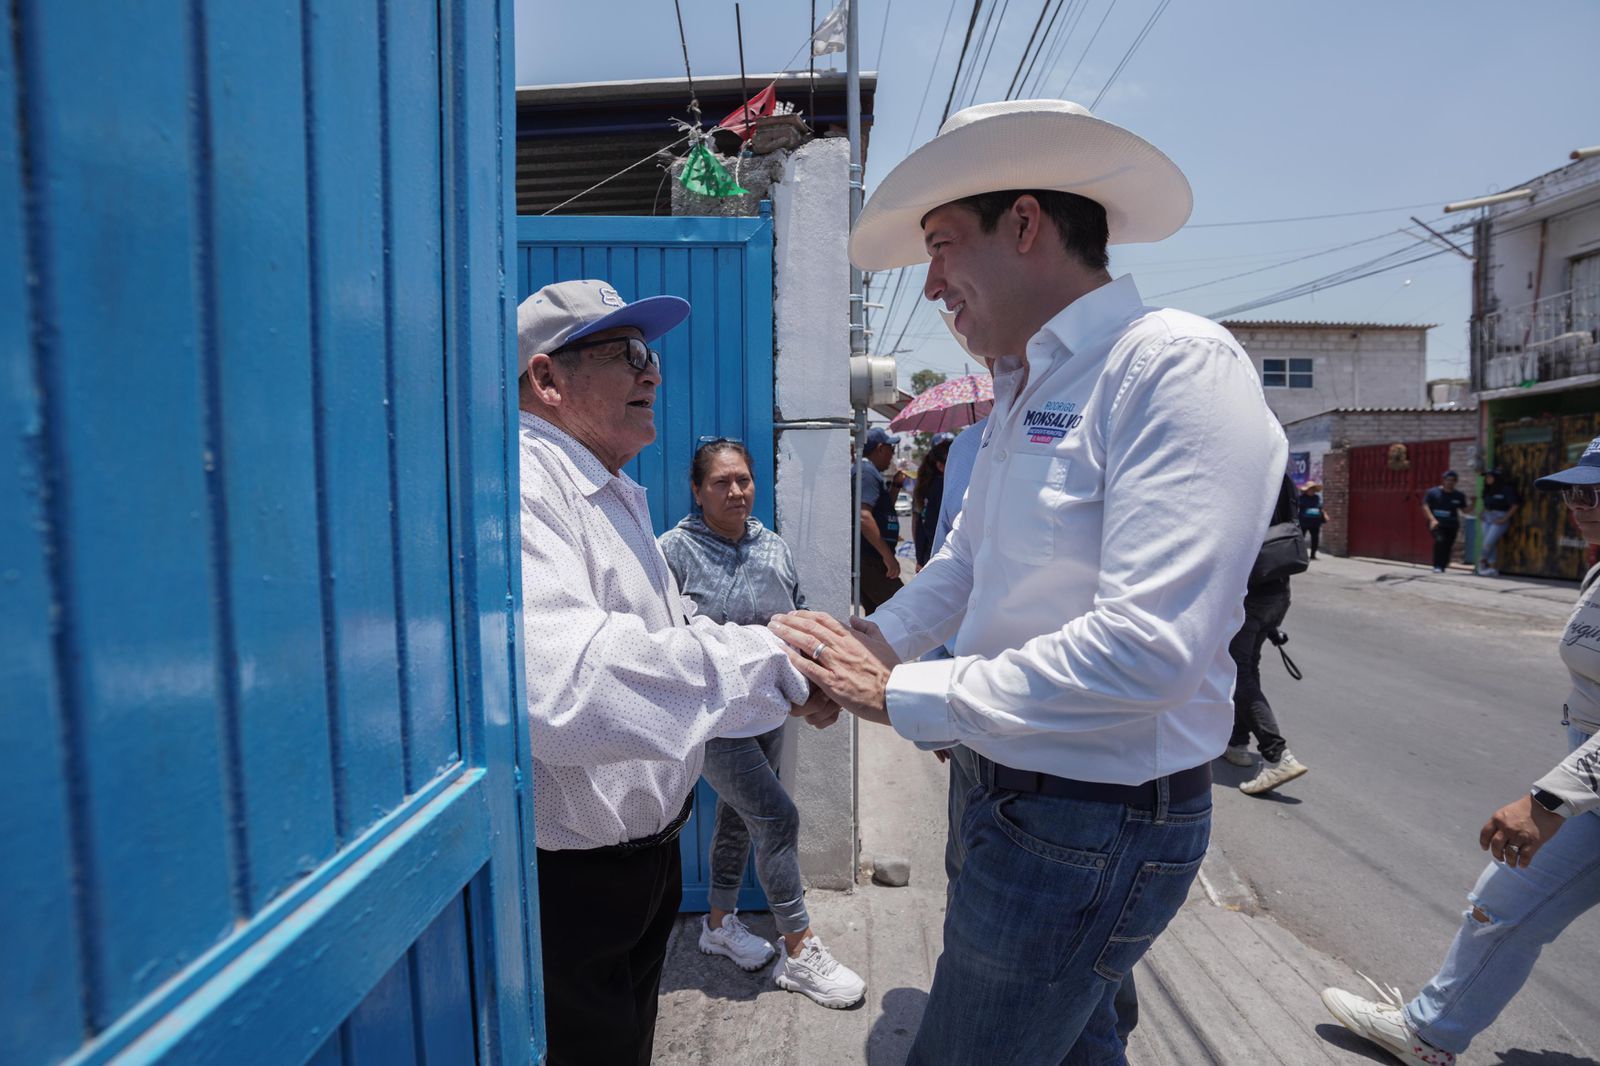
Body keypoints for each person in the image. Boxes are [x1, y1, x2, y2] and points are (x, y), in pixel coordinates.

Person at [769, 99, 1287, 1064]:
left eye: (940, 246)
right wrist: (866, 646)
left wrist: (901, 690)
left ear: (1024, 224)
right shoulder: (1026, 386)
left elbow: (1148, 652)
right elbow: (966, 565)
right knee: (1081, 1047)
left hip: (1093, 816)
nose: (929, 285)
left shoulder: (1167, 366)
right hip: (1009, 788)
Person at [514, 279, 827, 1066]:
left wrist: (778, 665)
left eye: (648, 353)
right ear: (548, 380)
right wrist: (776, 663)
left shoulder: (603, 485)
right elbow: (564, 689)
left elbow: (666, 631)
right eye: (626, 354)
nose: (652, 373)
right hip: (576, 888)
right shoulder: (523, 485)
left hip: (641, 867)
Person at [1321, 436, 1600, 1066]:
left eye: (1594, 492)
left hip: (1589, 785)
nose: (1578, 505)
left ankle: (1429, 1032)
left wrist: (1549, 800)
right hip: (1589, 768)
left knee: (1504, 902)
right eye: (1573, 491)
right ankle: (1432, 1033)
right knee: (1504, 904)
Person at [658, 439, 866, 1009]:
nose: (736, 491)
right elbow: (663, 639)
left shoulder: (772, 546)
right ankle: (800, 950)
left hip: (773, 710)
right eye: (721, 482)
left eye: (744, 480)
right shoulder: (671, 552)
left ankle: (718, 924)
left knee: (737, 817)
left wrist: (821, 682)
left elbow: (796, 618)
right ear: (697, 491)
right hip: (716, 716)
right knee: (777, 816)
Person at [1224, 479, 1310, 795]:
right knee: (1248, 667)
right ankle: (1237, 744)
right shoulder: (1283, 481)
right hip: (1279, 590)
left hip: (1251, 592)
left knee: (1237, 671)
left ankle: (1278, 756)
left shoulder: (1247, 478)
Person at [857, 425, 905, 612]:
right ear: (880, 448)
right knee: (904, 608)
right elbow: (864, 516)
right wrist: (888, 556)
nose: (892, 455)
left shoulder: (872, 473)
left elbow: (882, 511)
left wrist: (895, 487)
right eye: (891, 449)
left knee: (878, 617)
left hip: (874, 559)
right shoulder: (867, 473)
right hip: (873, 559)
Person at [911, 437, 952, 568]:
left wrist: (919, 558)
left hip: (929, 555)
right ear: (940, 466)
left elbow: (918, 526)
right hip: (946, 557)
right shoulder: (944, 487)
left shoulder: (925, 487)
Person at [1476, 468, 1521, 576]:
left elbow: (1515, 505)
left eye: (1490, 477)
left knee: (1488, 543)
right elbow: (1486, 504)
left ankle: (1481, 564)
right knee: (1489, 543)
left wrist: (1504, 519)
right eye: (1486, 477)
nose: (1487, 479)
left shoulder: (1506, 489)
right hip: (1487, 518)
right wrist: (1481, 513)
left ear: (1496, 478)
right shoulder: (1488, 489)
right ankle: (1492, 568)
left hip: (1500, 518)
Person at [1423, 470, 1469, 573]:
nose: (1450, 482)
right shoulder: (1433, 493)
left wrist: (1474, 503)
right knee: (1440, 541)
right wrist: (1432, 520)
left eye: (1453, 480)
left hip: (1452, 524)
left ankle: (1443, 565)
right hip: (1437, 524)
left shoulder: (1459, 495)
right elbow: (1425, 506)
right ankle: (1437, 565)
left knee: (1448, 545)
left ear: (1456, 482)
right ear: (1443, 480)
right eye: (1448, 480)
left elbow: (1464, 510)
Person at [1298, 479, 1328, 560]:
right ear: (1307, 490)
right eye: (1310, 489)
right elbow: (1298, 508)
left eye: (1313, 489)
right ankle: (1300, 555)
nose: (1312, 491)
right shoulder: (1301, 498)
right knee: (1301, 539)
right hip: (1303, 521)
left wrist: (1324, 514)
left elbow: (1320, 507)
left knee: (1315, 539)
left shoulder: (1316, 498)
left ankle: (1313, 555)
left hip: (1315, 522)